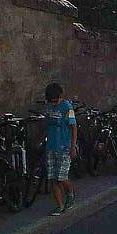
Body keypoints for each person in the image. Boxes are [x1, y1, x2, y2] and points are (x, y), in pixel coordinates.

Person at [44, 83, 77, 216]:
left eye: (56, 99)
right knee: (53, 177)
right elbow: (46, 124)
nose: (54, 102)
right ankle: (59, 205)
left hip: (64, 146)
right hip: (51, 146)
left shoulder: (67, 107)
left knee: (61, 177)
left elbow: (74, 127)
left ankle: (70, 193)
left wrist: (72, 147)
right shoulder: (49, 107)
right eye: (52, 100)